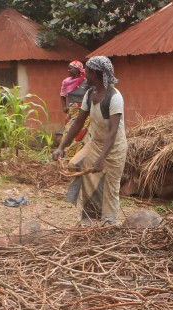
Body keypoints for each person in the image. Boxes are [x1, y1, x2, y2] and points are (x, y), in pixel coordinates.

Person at [52, 56, 127, 226]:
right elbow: (78, 122)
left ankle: (109, 223)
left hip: (114, 148)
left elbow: (113, 132)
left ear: (97, 73)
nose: (85, 74)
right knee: (77, 166)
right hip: (96, 143)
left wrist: (102, 159)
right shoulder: (89, 93)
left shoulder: (114, 97)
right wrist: (62, 147)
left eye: (89, 71)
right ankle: (90, 217)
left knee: (110, 188)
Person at [59, 60, 89, 158]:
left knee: (82, 135)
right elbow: (62, 95)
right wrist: (64, 106)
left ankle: (77, 157)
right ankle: (65, 156)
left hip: (84, 112)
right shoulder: (66, 82)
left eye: (70, 68)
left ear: (77, 69)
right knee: (68, 132)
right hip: (72, 112)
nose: (68, 70)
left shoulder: (86, 81)